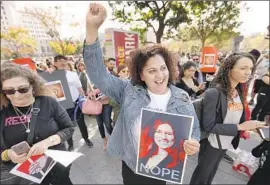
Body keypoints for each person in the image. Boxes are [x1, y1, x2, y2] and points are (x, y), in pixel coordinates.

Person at [83, 3, 200, 184]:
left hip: (163, 169)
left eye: (163, 68)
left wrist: (193, 143)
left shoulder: (182, 97)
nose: (160, 75)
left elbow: (193, 130)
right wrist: (92, 29)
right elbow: (98, 75)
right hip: (133, 166)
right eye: (152, 71)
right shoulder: (128, 91)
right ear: (141, 75)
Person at [190, 52, 268, 185]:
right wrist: (240, 127)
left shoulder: (238, 91)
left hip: (226, 142)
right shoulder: (214, 93)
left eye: (250, 68)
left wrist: (253, 126)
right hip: (211, 143)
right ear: (229, 68)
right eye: (243, 68)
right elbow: (208, 126)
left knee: (210, 174)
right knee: (201, 177)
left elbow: (235, 117)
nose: (248, 72)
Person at [0, 62, 74, 185]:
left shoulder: (49, 103)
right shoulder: (3, 112)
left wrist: (47, 142)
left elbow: (68, 128)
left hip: (58, 166)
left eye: (23, 89)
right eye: (9, 91)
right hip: (28, 176)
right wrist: (8, 155)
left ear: (33, 86)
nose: (17, 95)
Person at [53, 55, 93, 151]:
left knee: (81, 123)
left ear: (67, 62)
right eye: (59, 61)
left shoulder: (73, 75)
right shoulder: (52, 77)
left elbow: (79, 89)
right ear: (55, 63)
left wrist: (84, 100)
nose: (62, 62)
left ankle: (86, 138)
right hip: (62, 106)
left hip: (75, 104)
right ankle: (70, 144)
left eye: (64, 60)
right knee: (67, 126)